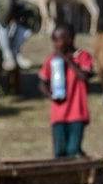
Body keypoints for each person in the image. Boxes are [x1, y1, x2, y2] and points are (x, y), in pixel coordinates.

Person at [38, 23, 95, 157]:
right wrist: (50, 95)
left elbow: (84, 76)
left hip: (77, 113)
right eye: (54, 41)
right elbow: (42, 82)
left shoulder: (82, 56)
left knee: (73, 150)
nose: (55, 44)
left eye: (58, 40)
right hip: (58, 114)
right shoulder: (52, 60)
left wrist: (67, 60)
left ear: (69, 39)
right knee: (59, 152)